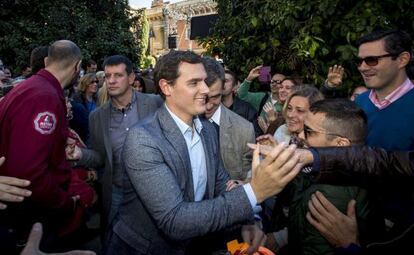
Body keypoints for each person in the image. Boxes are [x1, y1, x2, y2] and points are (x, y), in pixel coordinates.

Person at [105, 50, 303, 255]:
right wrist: (255, 192)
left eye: (205, 82)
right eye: (194, 83)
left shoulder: (206, 130)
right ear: (166, 87)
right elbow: (175, 220)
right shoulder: (143, 139)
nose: (205, 89)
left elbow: (221, 183)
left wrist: (247, 220)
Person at [0, 40, 96, 253]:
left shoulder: (30, 87)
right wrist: (66, 203)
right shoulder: (45, 97)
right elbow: (30, 174)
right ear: (77, 67)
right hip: (32, 215)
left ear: (46, 61)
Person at [66, 55, 163, 228]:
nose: (111, 81)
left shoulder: (155, 104)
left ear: (131, 78)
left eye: (118, 75)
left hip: (155, 191)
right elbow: (99, 157)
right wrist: (80, 154)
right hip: (117, 191)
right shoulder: (97, 117)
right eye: (108, 76)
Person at [280, 99, 383, 255]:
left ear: (341, 144)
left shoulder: (328, 195)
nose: (301, 135)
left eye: (309, 132)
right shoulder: (325, 172)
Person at [203, 57, 255, 182]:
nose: (208, 106)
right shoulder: (181, 121)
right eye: (203, 98)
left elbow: (249, 174)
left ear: (223, 90)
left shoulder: (244, 130)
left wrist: (244, 184)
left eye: (215, 97)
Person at [70, 73, 98, 146]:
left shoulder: (97, 99)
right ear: (85, 84)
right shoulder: (77, 100)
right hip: (83, 137)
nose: (95, 84)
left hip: (95, 136)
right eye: (92, 82)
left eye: (96, 82)